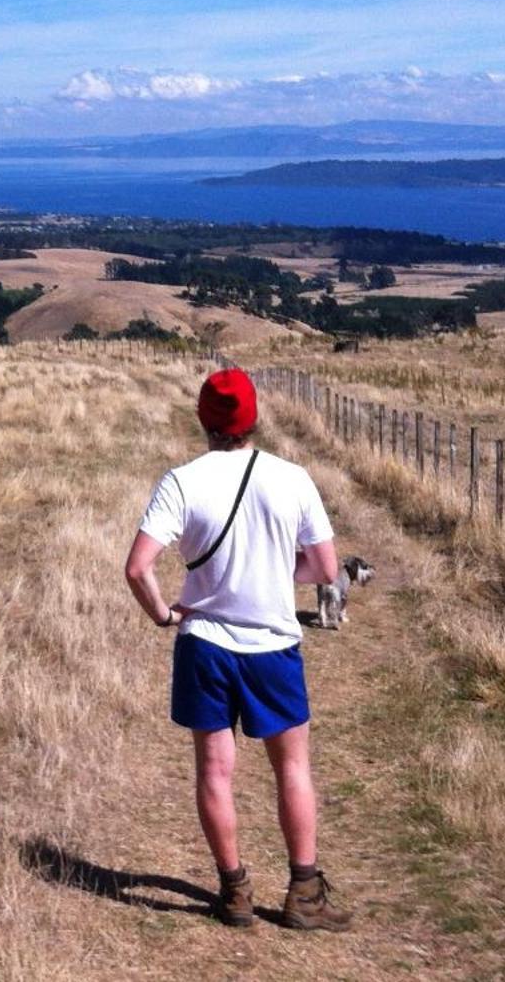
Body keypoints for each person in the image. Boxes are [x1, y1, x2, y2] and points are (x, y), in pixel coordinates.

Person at [124, 366, 353, 932]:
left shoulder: (181, 481)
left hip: (204, 645)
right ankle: (303, 893)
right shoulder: (293, 478)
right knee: (292, 767)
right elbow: (325, 568)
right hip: (272, 646)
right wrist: (278, 572)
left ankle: (235, 893)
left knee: (215, 772)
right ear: (253, 418)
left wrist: (163, 613)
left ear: (204, 418)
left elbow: (137, 568)